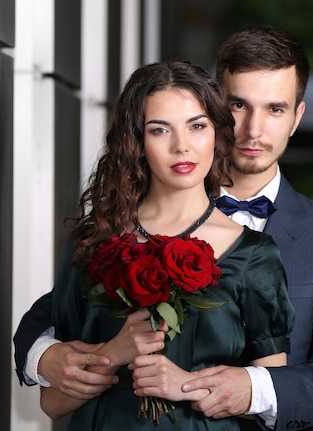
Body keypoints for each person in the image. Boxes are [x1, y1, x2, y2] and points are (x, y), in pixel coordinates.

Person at [14, 26, 313, 430]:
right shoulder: (119, 226)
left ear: (295, 117)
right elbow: (56, 314)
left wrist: (249, 388)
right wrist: (41, 355)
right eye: (238, 104)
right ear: (215, 102)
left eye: (275, 109)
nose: (253, 130)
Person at [35, 59, 294, 430]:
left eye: (197, 126)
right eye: (160, 130)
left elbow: (271, 399)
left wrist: (185, 386)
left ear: (217, 135)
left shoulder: (256, 254)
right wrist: (115, 352)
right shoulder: (93, 242)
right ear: (137, 142)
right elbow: (52, 403)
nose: (181, 146)